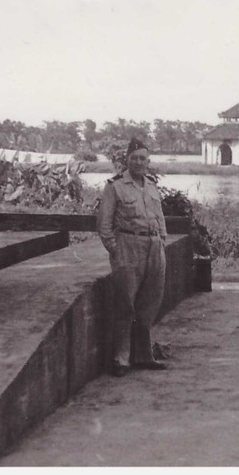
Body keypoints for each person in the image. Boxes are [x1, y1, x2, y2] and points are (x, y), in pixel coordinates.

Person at [98, 137, 168, 377]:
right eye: (134, 158)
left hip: (154, 246)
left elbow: (159, 215)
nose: (139, 162)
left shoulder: (151, 184)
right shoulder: (115, 186)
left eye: (143, 158)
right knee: (125, 304)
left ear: (148, 162)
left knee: (149, 304)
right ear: (126, 160)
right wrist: (116, 250)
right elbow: (104, 225)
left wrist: (162, 240)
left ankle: (143, 355)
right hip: (128, 246)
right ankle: (121, 359)